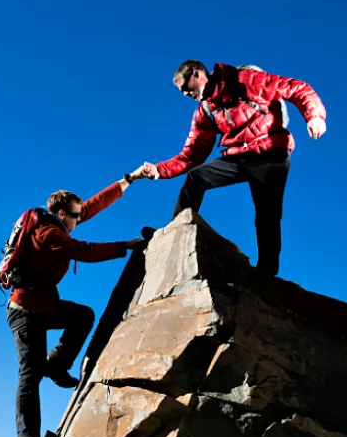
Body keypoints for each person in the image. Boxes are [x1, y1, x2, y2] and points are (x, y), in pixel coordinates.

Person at [7, 171, 147, 437]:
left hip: (44, 306)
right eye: (75, 215)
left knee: (82, 316)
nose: (78, 219)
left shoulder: (60, 222)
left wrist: (127, 181)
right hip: (24, 312)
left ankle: (56, 365)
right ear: (61, 214)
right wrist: (126, 246)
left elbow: (93, 205)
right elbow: (83, 250)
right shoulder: (47, 233)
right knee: (30, 375)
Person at [139, 60, 327, 276]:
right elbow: (192, 154)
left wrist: (314, 116)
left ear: (197, 74)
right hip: (240, 157)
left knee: (267, 214)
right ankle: (172, 234)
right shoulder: (206, 111)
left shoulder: (245, 81)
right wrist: (159, 170)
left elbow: (297, 88)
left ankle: (267, 270)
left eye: (185, 88)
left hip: (270, 153)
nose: (184, 94)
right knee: (196, 178)